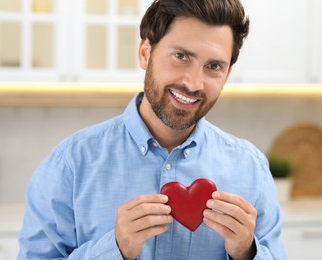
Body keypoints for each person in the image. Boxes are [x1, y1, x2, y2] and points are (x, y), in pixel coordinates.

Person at [18, 0, 286, 259]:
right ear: (145, 53)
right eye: (180, 56)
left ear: (226, 75)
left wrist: (246, 253)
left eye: (214, 66)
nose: (193, 83)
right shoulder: (70, 165)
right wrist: (115, 249)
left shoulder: (251, 168)